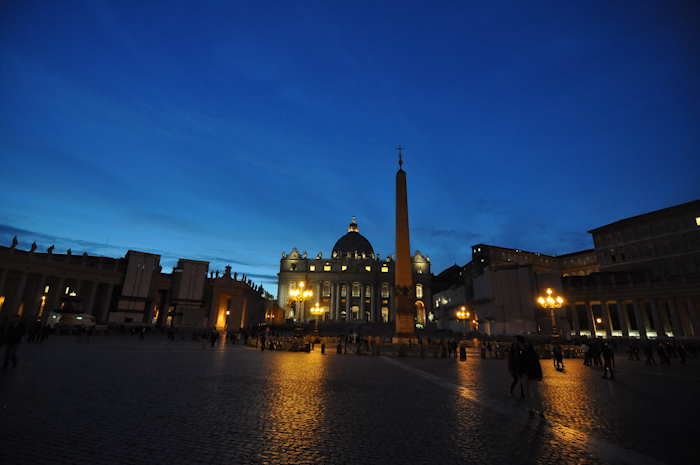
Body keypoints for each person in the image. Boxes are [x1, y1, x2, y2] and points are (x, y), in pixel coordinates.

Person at [521, 340, 544, 417]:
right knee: (532, 393)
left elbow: (537, 365)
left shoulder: (527, 354)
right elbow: (538, 365)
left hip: (530, 375)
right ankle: (534, 410)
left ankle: (536, 410)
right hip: (529, 375)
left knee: (533, 393)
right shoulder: (528, 353)